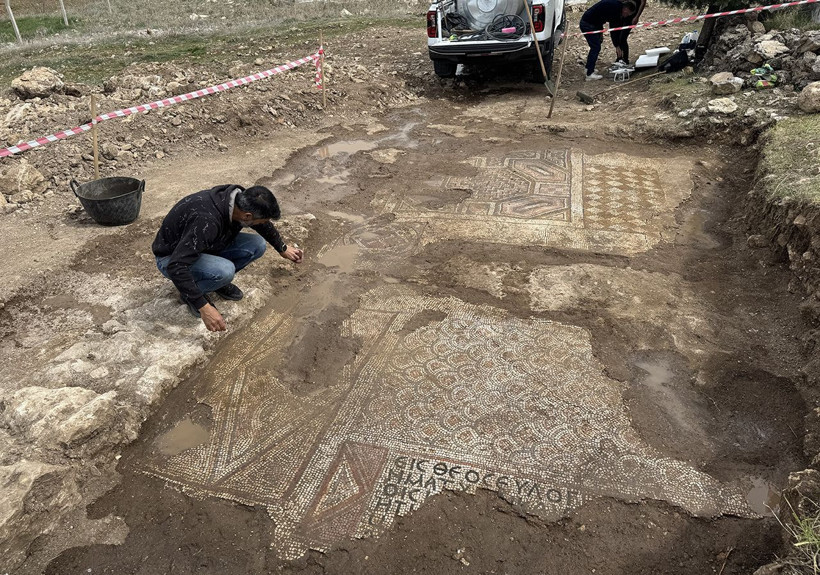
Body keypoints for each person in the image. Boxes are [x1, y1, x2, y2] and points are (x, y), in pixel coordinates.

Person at [152, 184, 304, 332]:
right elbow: (177, 265)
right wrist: (203, 306)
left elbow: (261, 224)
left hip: (204, 244)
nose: (263, 224)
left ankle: (216, 283)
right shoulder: (206, 221)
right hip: (170, 257)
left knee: (258, 245)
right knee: (225, 271)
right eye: (262, 220)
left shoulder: (237, 199)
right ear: (247, 216)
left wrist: (282, 247)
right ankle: (192, 294)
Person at [579, 0, 637, 81]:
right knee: (596, 47)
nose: (626, 16)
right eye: (627, 14)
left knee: (597, 44)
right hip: (588, 24)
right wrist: (617, 46)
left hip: (595, 23)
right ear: (625, 9)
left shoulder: (617, 7)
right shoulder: (615, 10)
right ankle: (589, 74)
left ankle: (588, 68)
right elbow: (613, 30)